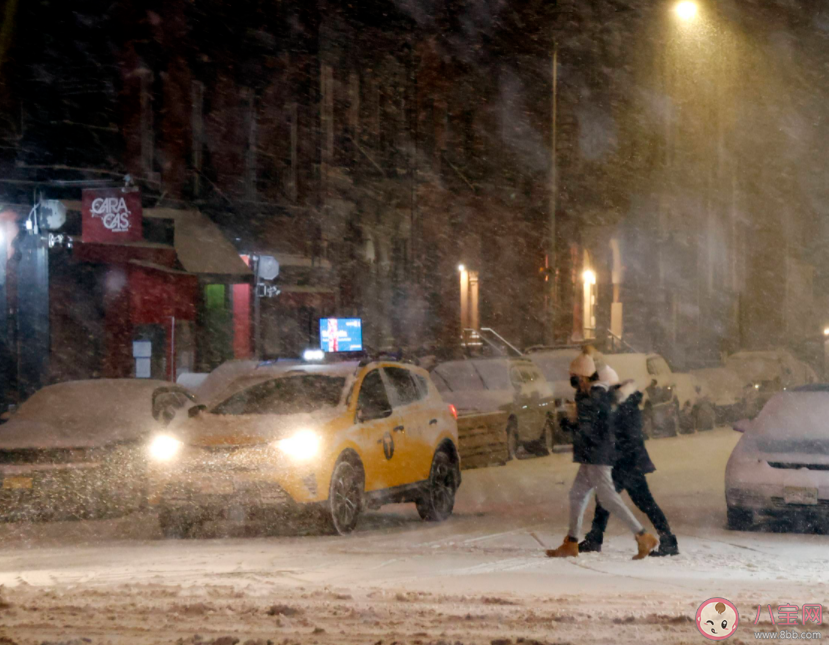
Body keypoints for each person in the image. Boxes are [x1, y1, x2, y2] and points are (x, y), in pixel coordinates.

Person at [546, 352, 658, 560]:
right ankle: (571, 542)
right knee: (577, 494)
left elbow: (591, 428)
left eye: (574, 376)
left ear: (583, 377)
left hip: (597, 455)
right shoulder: (591, 395)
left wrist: (571, 422)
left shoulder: (594, 397)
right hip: (592, 454)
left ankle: (643, 535)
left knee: (609, 498)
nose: (572, 380)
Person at [579, 376, 680, 557]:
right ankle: (668, 540)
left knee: (632, 502)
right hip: (627, 463)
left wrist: (614, 449)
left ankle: (596, 539)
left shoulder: (626, 408)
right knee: (614, 500)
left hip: (628, 463)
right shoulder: (624, 406)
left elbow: (627, 436)